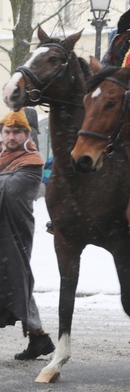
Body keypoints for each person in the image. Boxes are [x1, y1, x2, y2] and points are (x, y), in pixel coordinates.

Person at [0, 110, 55, 360]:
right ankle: (39, 337)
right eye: (7, 131)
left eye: (17, 132)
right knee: (14, 282)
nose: (11, 137)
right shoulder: (3, 158)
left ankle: (39, 337)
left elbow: (9, 192)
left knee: (16, 279)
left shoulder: (31, 162)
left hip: (14, 232)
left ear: (27, 134)